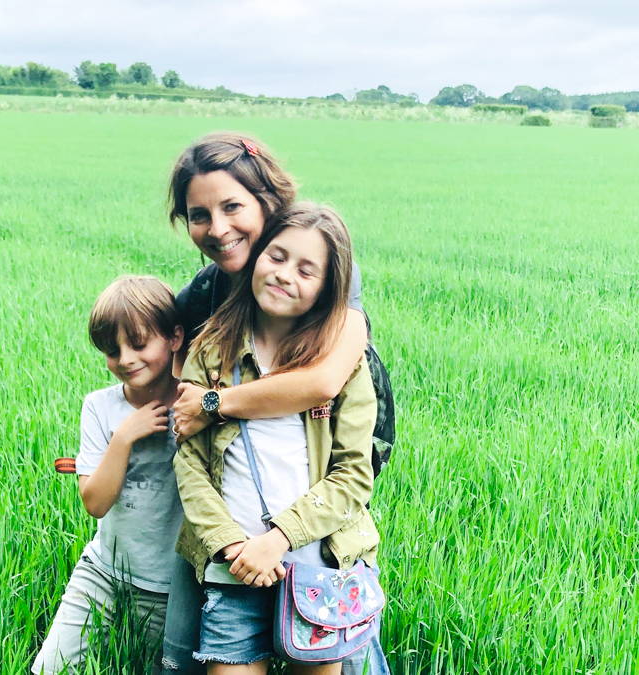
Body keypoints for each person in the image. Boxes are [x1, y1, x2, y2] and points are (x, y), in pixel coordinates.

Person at [159, 133, 393, 674]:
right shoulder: (207, 309)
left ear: (268, 201)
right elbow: (185, 442)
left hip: (317, 518)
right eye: (199, 214)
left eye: (233, 206)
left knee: (343, 648)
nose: (217, 228)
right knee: (190, 646)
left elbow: (324, 385)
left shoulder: (326, 266)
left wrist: (213, 402)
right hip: (231, 544)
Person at [32, 276, 186, 674]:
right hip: (102, 571)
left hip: (168, 589)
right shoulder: (100, 407)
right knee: (50, 668)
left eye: (138, 344)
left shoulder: (194, 405)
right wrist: (123, 439)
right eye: (112, 350)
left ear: (174, 337)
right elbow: (95, 503)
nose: (125, 359)